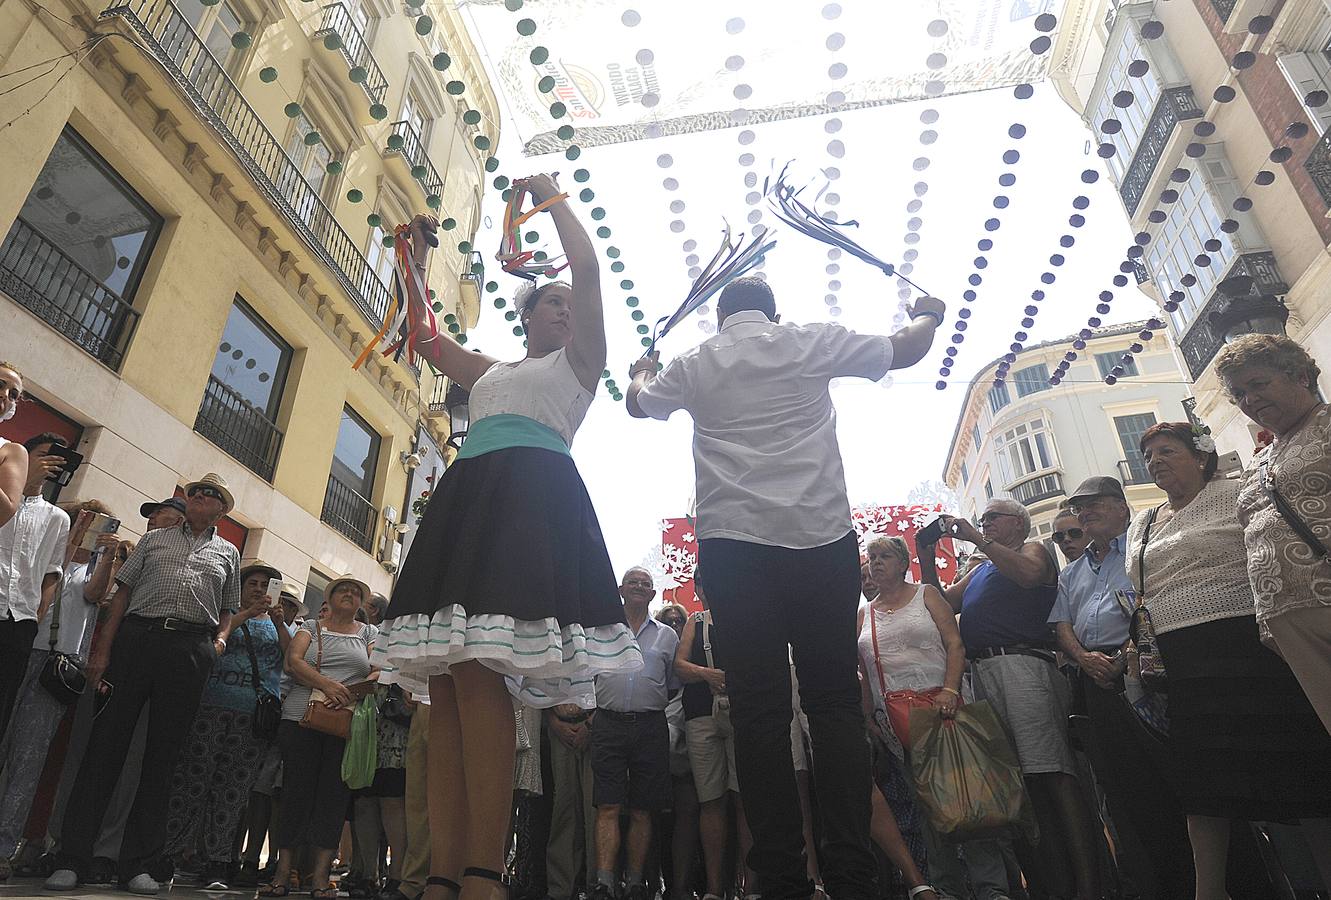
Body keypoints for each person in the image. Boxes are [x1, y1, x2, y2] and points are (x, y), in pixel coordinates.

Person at [626, 276, 945, 900]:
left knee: (758, 713)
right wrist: (929, 314)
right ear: (775, 311)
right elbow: (905, 349)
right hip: (820, 541)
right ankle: (852, 875)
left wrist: (644, 371)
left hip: (736, 549)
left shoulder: (699, 361)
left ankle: (780, 880)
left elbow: (638, 403)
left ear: (721, 320)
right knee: (832, 708)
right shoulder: (807, 340)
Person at [372, 178, 639, 900]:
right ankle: (442, 873)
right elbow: (426, 338)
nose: (564, 307)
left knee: (482, 670)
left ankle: (484, 871)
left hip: (529, 502)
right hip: (469, 500)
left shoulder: (578, 365)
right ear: (529, 315)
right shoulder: (492, 372)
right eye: (550, 301)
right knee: (455, 683)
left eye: (567, 304)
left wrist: (553, 202)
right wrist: (415, 257)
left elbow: (586, 271)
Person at [1130, 422, 1331, 899]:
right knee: (1203, 783)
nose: (1155, 460)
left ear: (1200, 456)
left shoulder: (1237, 492)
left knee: (1299, 770)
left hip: (1245, 649)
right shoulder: (1143, 522)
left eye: (1166, 451)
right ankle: (1210, 893)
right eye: (1148, 455)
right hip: (1182, 663)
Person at [46, 472, 240, 895]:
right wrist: (103, 652)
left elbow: (228, 608)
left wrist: (219, 642)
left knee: (163, 757)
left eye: (211, 495)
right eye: (195, 492)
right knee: (104, 747)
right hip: (138, 639)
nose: (200, 497)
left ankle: (137, 864)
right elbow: (122, 596)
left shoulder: (229, 553)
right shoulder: (154, 541)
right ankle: (72, 858)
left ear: (222, 509)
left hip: (191, 649)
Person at [919, 498, 1100, 900]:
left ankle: (1090, 885)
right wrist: (926, 552)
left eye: (992, 519)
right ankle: (1048, 883)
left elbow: (1032, 575)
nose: (986, 525)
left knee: (1051, 771)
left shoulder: (1031, 549)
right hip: (984, 672)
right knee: (1016, 782)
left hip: (1023, 664)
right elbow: (945, 603)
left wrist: (978, 540)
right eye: (983, 520)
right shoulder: (982, 569)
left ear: (1018, 522)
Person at [1048, 478, 1193, 899]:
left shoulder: (1143, 546)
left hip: (1145, 670)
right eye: (1081, 507)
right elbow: (1062, 626)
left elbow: (1154, 599)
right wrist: (1083, 658)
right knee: (1126, 788)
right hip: (1096, 680)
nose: (1086, 512)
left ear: (1122, 508)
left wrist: (1126, 653)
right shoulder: (1072, 572)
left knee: (1174, 777)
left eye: (1095, 504)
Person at [1217, 334, 1331, 733]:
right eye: (1240, 393)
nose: (1249, 400)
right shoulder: (1261, 460)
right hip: (1286, 617)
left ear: (1299, 376)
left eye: (1258, 384)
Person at [0, 500, 118, 881]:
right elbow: (45, 576)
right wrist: (72, 534)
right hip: (18, 649)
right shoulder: (50, 551)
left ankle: (5, 846)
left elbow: (95, 594)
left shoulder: (92, 568)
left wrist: (108, 553)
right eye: (83, 516)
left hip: (57, 667)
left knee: (28, 757)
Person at [163, 559, 288, 891]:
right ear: (240, 588)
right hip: (211, 705)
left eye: (267, 585)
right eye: (253, 585)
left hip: (254, 716)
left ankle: (218, 860)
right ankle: (171, 853)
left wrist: (281, 624)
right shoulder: (223, 613)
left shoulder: (279, 623)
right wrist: (246, 613)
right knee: (192, 779)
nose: (260, 590)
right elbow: (216, 642)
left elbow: (291, 660)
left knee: (234, 789)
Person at [261, 575, 378, 900]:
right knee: (295, 793)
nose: (350, 595)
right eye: (344, 590)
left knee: (333, 797)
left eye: (357, 593)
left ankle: (321, 879)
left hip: (345, 722)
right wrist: (327, 685)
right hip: (300, 719)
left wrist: (349, 692)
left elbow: (380, 667)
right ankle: (283, 874)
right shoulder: (311, 627)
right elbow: (293, 661)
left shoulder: (369, 632)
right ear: (331, 595)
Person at [857, 537, 959, 900]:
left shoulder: (927, 594)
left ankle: (993, 885)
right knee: (924, 806)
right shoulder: (864, 613)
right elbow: (865, 670)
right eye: (872, 558)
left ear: (903, 563)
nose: (877, 563)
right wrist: (869, 716)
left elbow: (954, 644)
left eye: (886, 556)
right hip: (893, 720)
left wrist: (951, 690)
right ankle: (946, 885)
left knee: (963, 795)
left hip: (940, 709)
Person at [589, 567, 678, 900]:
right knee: (607, 805)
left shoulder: (667, 636)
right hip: (608, 723)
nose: (640, 588)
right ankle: (603, 882)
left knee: (643, 808)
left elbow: (672, 685)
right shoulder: (603, 632)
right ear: (621, 590)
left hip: (650, 726)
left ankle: (637, 883)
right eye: (634, 583)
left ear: (653, 595)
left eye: (646, 584)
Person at [672, 585, 754, 900]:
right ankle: (713, 889)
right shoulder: (695, 621)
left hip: (741, 715)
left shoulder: (745, 617)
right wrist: (708, 675)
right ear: (699, 589)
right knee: (711, 801)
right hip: (701, 716)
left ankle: (751, 887)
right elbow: (679, 666)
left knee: (744, 799)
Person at [0, 432, 71, 744]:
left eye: (59, 458)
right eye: (44, 454)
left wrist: (37, 617)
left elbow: (52, 574)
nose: (51, 462)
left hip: (19, 625)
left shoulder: (58, 518)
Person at [653, 604, 698, 900]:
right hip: (652, 743)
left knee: (688, 810)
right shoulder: (652, 653)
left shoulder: (696, 654)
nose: (674, 626)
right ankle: (647, 884)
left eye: (679, 621)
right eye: (667, 622)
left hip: (688, 748)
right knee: (649, 816)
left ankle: (680, 888)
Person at [0, 361, 30, 529]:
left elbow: (3, 513)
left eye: (13, 394)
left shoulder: (12, 452)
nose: (4, 394)